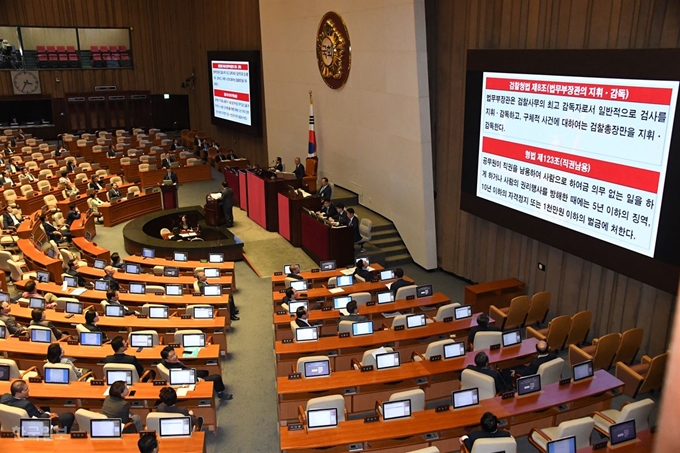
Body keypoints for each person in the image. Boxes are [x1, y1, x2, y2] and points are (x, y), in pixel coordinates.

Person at [160, 345, 233, 400]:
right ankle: (220, 393)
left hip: (189, 372)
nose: (175, 356)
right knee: (217, 377)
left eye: (174, 354)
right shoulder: (175, 370)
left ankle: (210, 386)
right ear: (166, 359)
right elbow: (186, 378)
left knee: (205, 372)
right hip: (189, 378)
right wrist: (198, 379)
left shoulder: (166, 361)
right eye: (171, 356)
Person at [0, 379, 75, 432]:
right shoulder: (27, 405)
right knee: (69, 416)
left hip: (10, 425)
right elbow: (40, 420)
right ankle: (60, 435)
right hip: (35, 427)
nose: (28, 390)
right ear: (19, 393)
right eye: (26, 389)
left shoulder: (4, 397)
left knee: (45, 407)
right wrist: (48, 414)